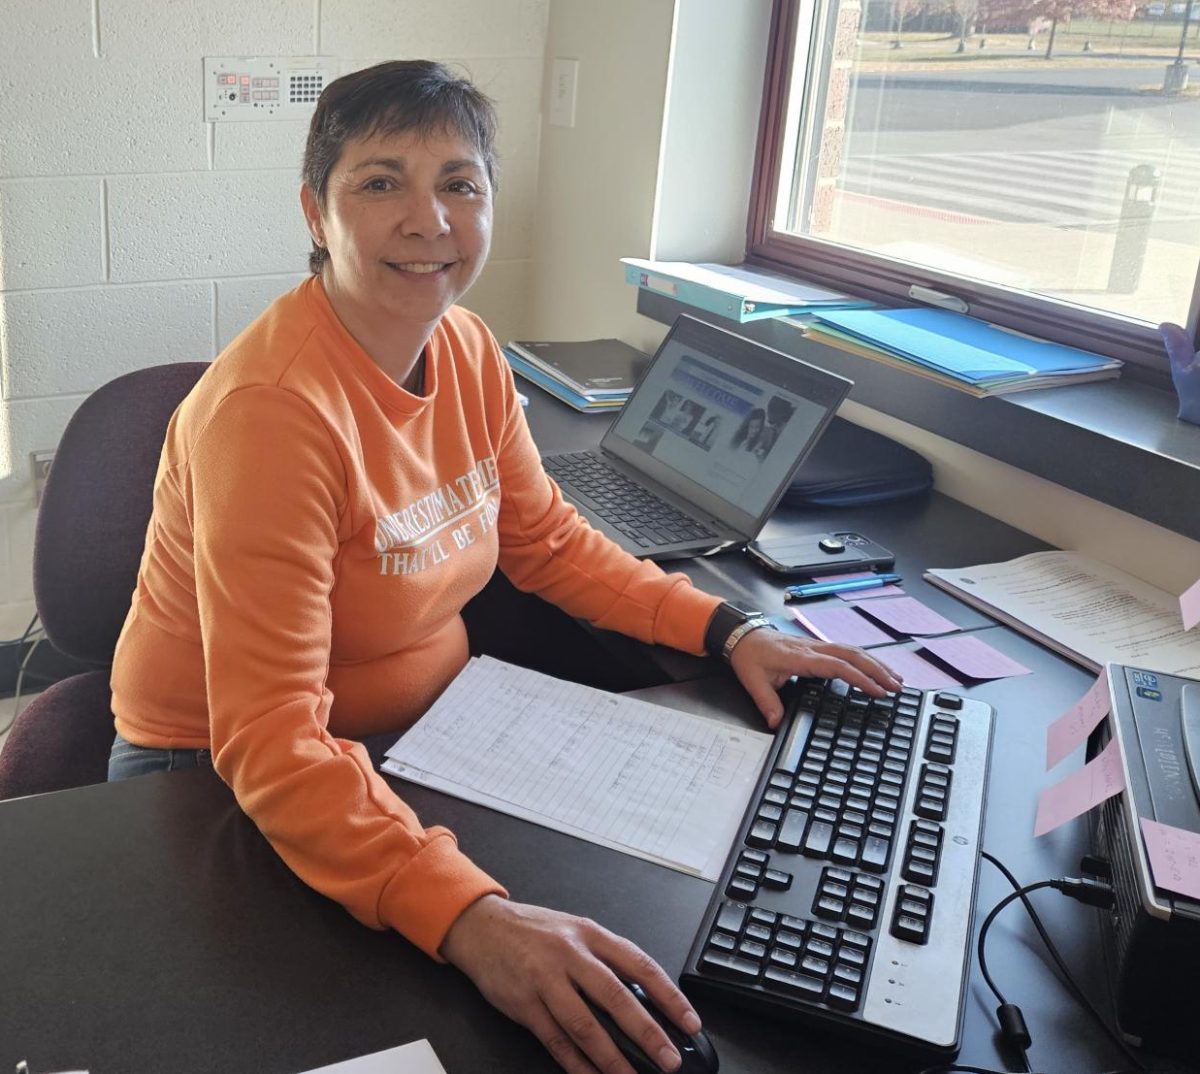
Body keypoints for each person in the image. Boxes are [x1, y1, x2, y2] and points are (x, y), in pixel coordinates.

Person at [107, 61, 901, 1074]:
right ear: (316, 208)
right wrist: (475, 922)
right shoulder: (271, 415)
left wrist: (727, 627)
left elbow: (547, 541)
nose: (427, 217)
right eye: (381, 181)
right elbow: (267, 735)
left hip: (428, 741)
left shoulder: (471, 351)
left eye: (459, 183)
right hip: (218, 774)